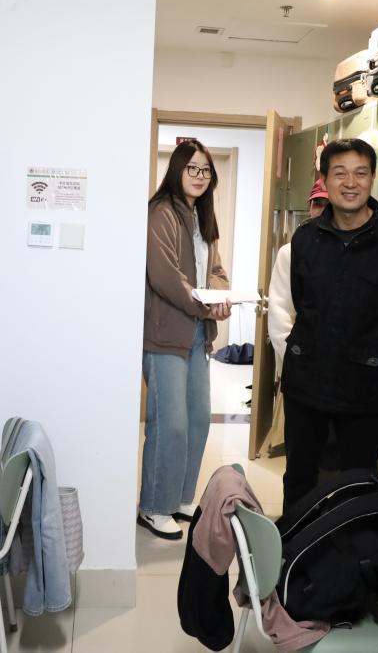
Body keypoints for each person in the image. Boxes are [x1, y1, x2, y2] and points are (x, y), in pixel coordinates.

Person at [280, 138, 378, 513]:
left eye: (360, 173)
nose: (350, 183)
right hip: (306, 385)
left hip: (366, 390)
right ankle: (295, 548)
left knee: (357, 486)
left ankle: (351, 551)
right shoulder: (306, 239)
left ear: (372, 178)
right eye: (340, 173)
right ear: (324, 180)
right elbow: (301, 301)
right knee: (299, 480)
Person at [140, 139, 230, 540]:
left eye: (205, 170)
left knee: (197, 419)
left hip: (197, 334)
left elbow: (217, 272)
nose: (199, 176)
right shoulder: (160, 212)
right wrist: (205, 306)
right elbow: (164, 277)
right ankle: (153, 506)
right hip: (164, 334)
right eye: (192, 168)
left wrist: (220, 297)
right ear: (177, 169)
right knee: (170, 424)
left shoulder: (202, 217)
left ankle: (179, 497)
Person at [266, 179, 328, 453]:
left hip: (342, 378)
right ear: (309, 207)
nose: (322, 209)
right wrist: (295, 361)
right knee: (302, 452)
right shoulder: (290, 252)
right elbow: (280, 313)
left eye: (328, 203)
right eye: (317, 203)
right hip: (301, 371)